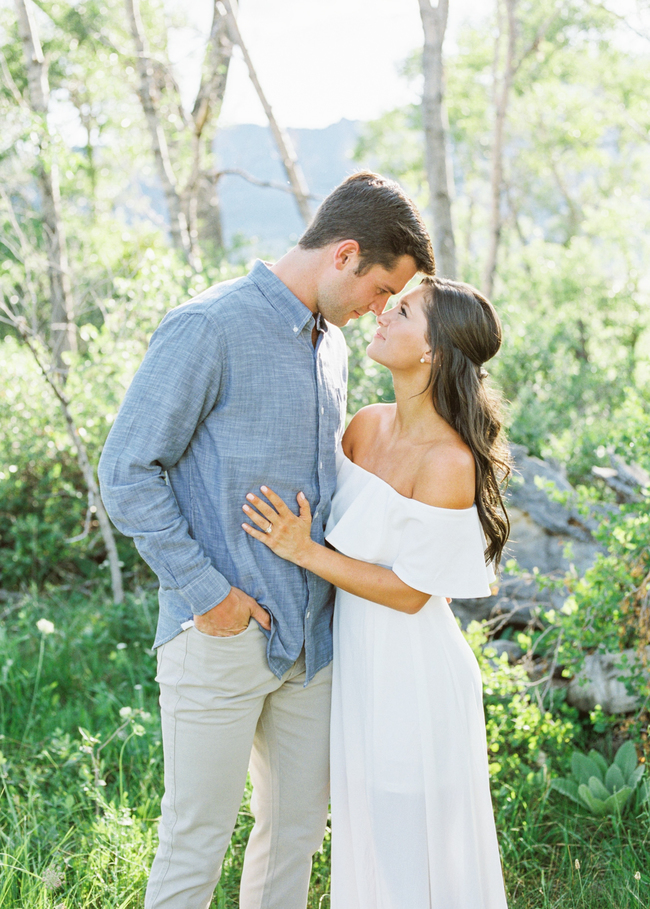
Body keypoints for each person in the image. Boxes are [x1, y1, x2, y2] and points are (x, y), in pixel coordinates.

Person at [97, 171, 435, 909]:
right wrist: (209, 594)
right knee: (197, 841)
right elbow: (125, 471)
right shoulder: (208, 327)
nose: (382, 311)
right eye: (382, 290)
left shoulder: (334, 347)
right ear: (344, 254)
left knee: (294, 839)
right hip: (222, 634)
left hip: (312, 644)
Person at [241, 276, 511, 909]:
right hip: (354, 660)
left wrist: (304, 551)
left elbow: (414, 594)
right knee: (364, 832)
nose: (384, 313)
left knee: (406, 838)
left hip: (413, 674)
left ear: (433, 353)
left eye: (405, 310)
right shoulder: (364, 425)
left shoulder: (449, 461)